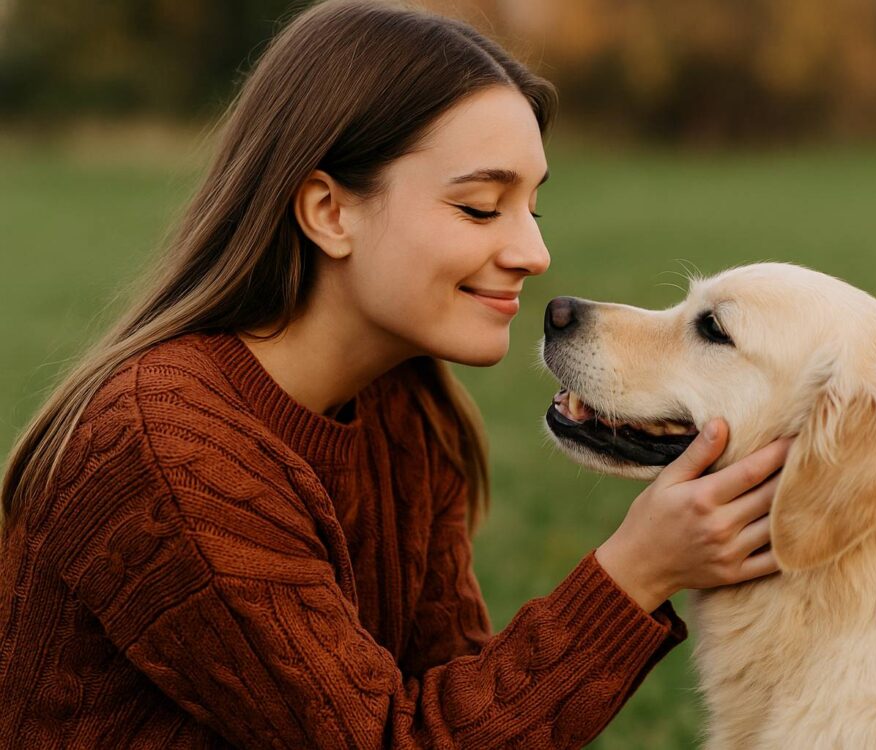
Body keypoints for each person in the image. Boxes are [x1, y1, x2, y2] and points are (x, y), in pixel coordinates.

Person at [0, 1, 788, 747]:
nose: (533, 253)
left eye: (531, 208)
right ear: (328, 212)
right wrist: (635, 572)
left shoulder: (404, 412)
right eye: (480, 208)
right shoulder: (173, 449)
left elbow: (458, 700)